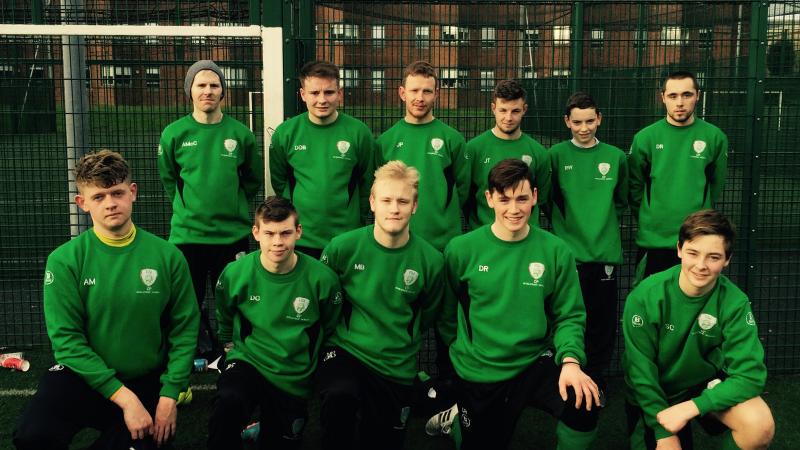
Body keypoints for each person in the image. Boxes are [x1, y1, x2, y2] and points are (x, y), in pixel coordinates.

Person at [14, 150, 199, 450]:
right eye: (99, 197)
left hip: (145, 381)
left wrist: (169, 396)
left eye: (117, 193)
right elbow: (67, 342)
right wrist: (125, 400)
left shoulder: (167, 257)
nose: (111, 203)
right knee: (34, 434)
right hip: (83, 380)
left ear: (133, 193)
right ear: (82, 203)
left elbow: (185, 328)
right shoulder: (65, 260)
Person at [429, 158, 600, 449]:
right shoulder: (461, 250)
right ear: (489, 199)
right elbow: (446, 309)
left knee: (584, 403)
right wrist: (465, 349)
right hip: (481, 368)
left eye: (522, 198)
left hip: (535, 360)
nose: (514, 209)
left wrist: (570, 360)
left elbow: (569, 314)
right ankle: (459, 419)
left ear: (534, 196)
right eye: (504, 199)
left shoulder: (556, 251)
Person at [317, 161, 444, 450]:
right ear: (373, 202)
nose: (394, 208)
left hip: (395, 364)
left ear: (414, 206)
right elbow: (325, 303)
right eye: (386, 200)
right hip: (347, 351)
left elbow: (428, 313)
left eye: (402, 201)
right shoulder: (342, 247)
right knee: (340, 398)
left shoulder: (431, 261)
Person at [622, 209, 774, 450]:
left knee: (759, 425)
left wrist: (693, 406)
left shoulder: (734, 302)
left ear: (727, 259)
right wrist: (663, 432)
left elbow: (751, 376)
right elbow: (641, 373)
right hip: (657, 393)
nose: (701, 265)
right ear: (679, 249)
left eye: (713, 257)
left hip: (702, 386)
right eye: (693, 253)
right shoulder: (644, 297)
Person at [208, 196, 341, 450]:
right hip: (249, 361)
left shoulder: (322, 279)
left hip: (294, 372)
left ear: (298, 232)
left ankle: (262, 429)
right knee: (228, 403)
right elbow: (224, 313)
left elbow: (330, 325)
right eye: (269, 233)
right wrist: (229, 345)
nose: (278, 242)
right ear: (256, 233)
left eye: (285, 233)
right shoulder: (235, 273)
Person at [158, 59, 263, 360]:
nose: (208, 91)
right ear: (189, 90)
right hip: (188, 236)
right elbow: (170, 178)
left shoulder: (240, 134)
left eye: (214, 85)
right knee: (185, 299)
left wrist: (232, 202)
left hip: (230, 235)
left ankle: (234, 351)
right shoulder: (174, 133)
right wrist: (187, 207)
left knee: (232, 299)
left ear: (223, 91)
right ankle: (187, 352)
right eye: (201, 85)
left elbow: (252, 179)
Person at [548, 92, 628, 390]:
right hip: (569, 256)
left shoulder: (616, 157)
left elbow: (622, 200)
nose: (584, 128)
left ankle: (597, 380)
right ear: (567, 121)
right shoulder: (554, 156)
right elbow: (548, 198)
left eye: (590, 121)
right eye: (577, 122)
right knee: (567, 318)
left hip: (604, 255)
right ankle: (566, 376)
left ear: (599, 119)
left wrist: (601, 222)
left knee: (601, 324)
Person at [270, 60, 376, 259]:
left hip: (347, 236)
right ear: (303, 95)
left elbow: (367, 182)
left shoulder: (359, 133)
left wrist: (356, 219)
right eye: (314, 93)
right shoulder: (285, 134)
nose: (322, 100)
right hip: (302, 237)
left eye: (329, 92)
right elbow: (280, 181)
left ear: (340, 94)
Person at [629, 71, 727, 280]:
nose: (680, 102)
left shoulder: (715, 137)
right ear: (662, 97)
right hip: (654, 242)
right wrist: (650, 216)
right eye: (673, 96)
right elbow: (635, 187)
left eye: (687, 95)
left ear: (698, 95)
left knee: (693, 308)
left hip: (697, 242)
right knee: (650, 307)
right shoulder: (645, 138)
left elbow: (715, 184)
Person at [377, 60, 469, 252]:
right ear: (402, 93)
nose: (420, 97)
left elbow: (463, 190)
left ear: (436, 94)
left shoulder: (453, 139)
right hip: (398, 241)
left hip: (443, 242)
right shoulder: (385, 141)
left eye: (427, 91)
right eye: (414, 90)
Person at [465, 79, 550, 230]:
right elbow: (465, 197)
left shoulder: (539, 153)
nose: (509, 118)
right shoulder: (473, 149)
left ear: (524, 109)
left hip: (525, 242)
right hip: (485, 239)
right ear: (493, 108)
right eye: (503, 110)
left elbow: (541, 199)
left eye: (515, 111)